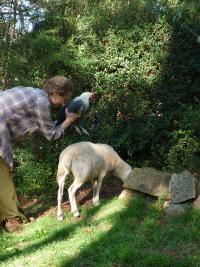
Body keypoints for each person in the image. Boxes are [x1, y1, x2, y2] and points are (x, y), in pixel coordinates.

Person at [0, 75, 80, 232]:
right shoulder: (41, 102)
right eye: (65, 98)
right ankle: (13, 222)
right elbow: (51, 134)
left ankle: (11, 216)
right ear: (56, 92)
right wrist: (68, 121)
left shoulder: (33, 92)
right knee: (3, 177)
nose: (64, 103)